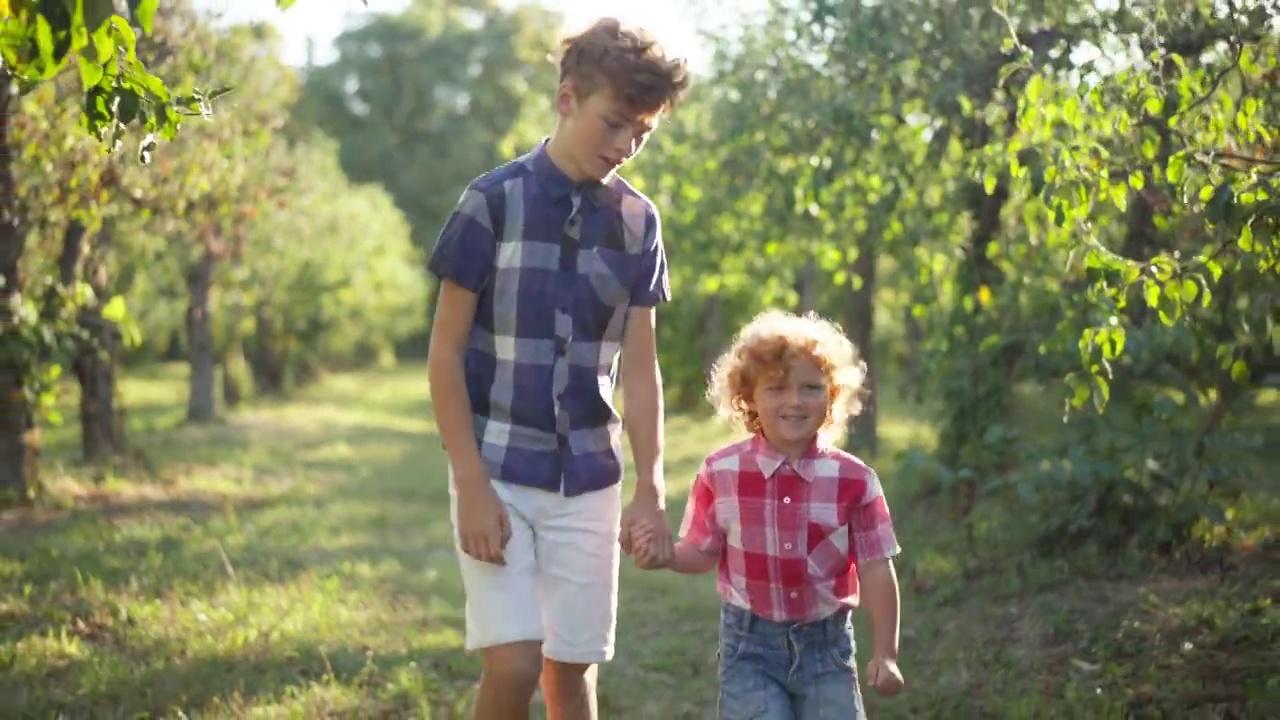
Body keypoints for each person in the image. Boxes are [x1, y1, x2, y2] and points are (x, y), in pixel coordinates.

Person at [425, 16, 690, 720]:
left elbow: (640, 367)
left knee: (570, 673)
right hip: (498, 469)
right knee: (512, 663)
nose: (625, 147)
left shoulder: (639, 223)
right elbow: (445, 352)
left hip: (589, 479)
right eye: (613, 124)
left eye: (642, 134)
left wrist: (651, 487)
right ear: (567, 98)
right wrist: (469, 480)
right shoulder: (491, 204)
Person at [633, 309, 906, 719]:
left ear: (832, 395)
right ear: (749, 398)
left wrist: (886, 654)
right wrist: (668, 555)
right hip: (750, 649)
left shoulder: (855, 480)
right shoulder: (721, 473)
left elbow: (876, 569)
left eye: (811, 387)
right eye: (777, 388)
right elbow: (702, 551)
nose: (794, 401)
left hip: (826, 651)